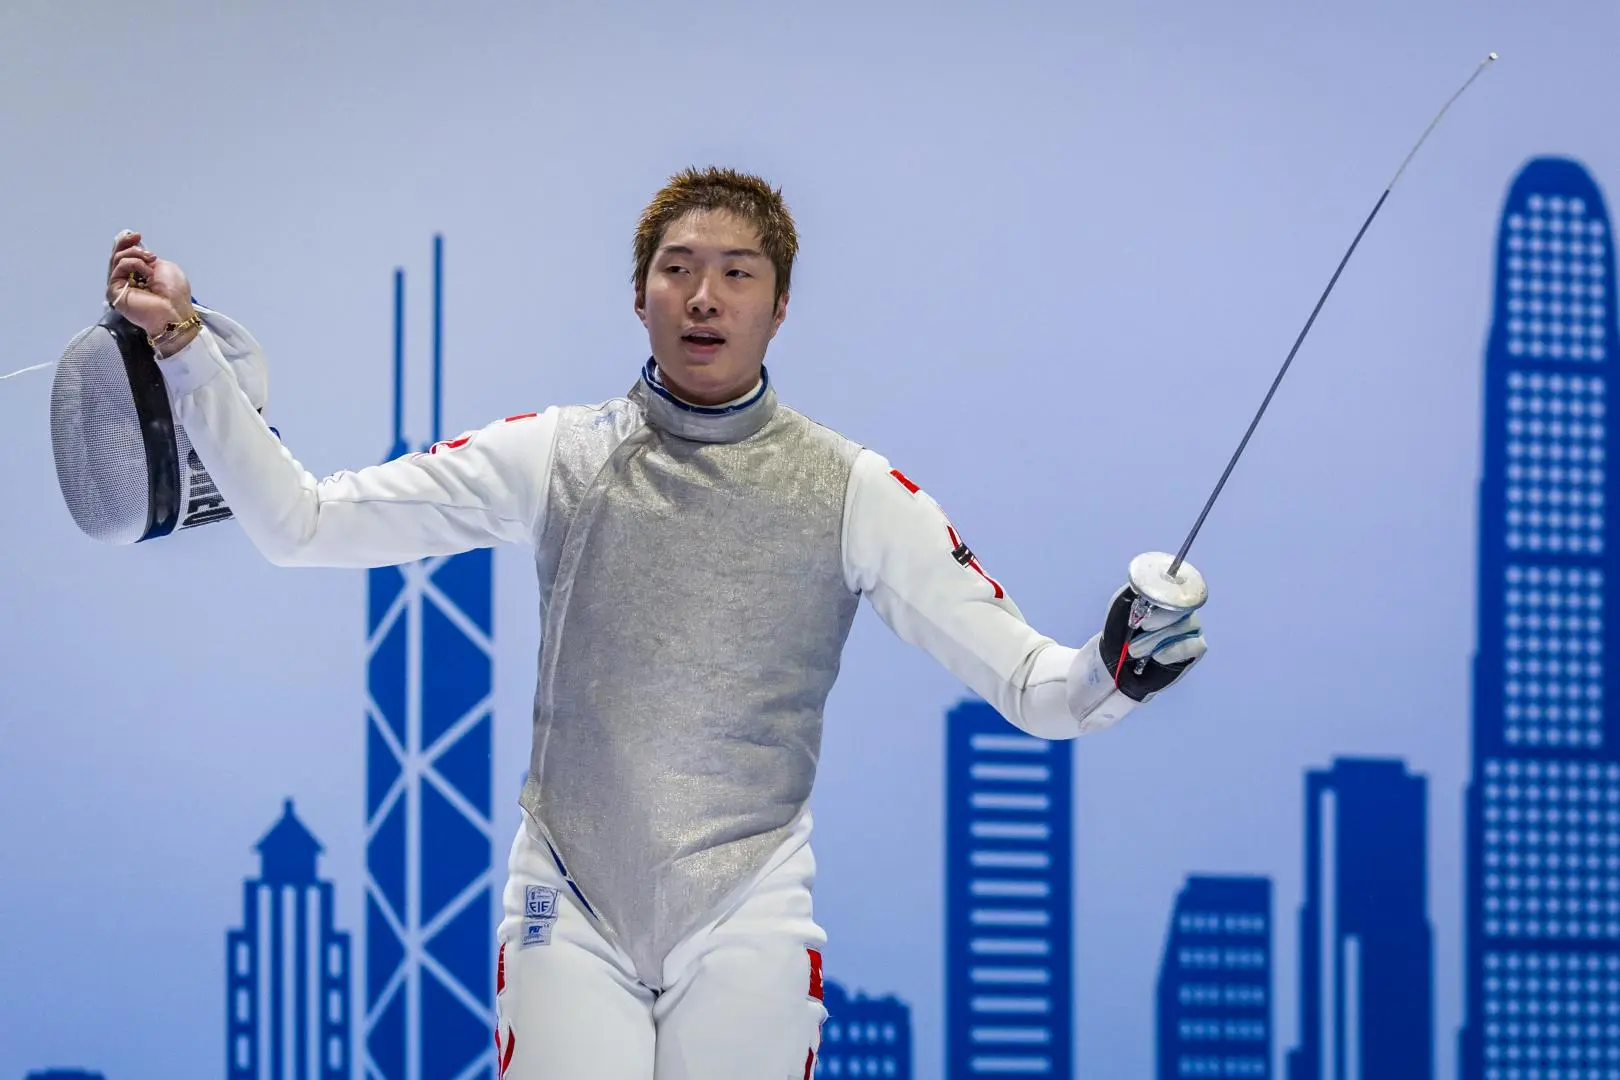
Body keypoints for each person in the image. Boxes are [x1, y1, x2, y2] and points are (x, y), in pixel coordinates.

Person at [102, 166, 1208, 1079]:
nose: (704, 297)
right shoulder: (558, 454)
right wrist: (186, 345)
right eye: (678, 270)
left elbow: (1038, 688)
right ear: (640, 297)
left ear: (780, 306)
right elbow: (304, 524)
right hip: (568, 899)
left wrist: (1118, 667)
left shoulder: (855, 492)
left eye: (737, 273)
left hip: (749, 908)